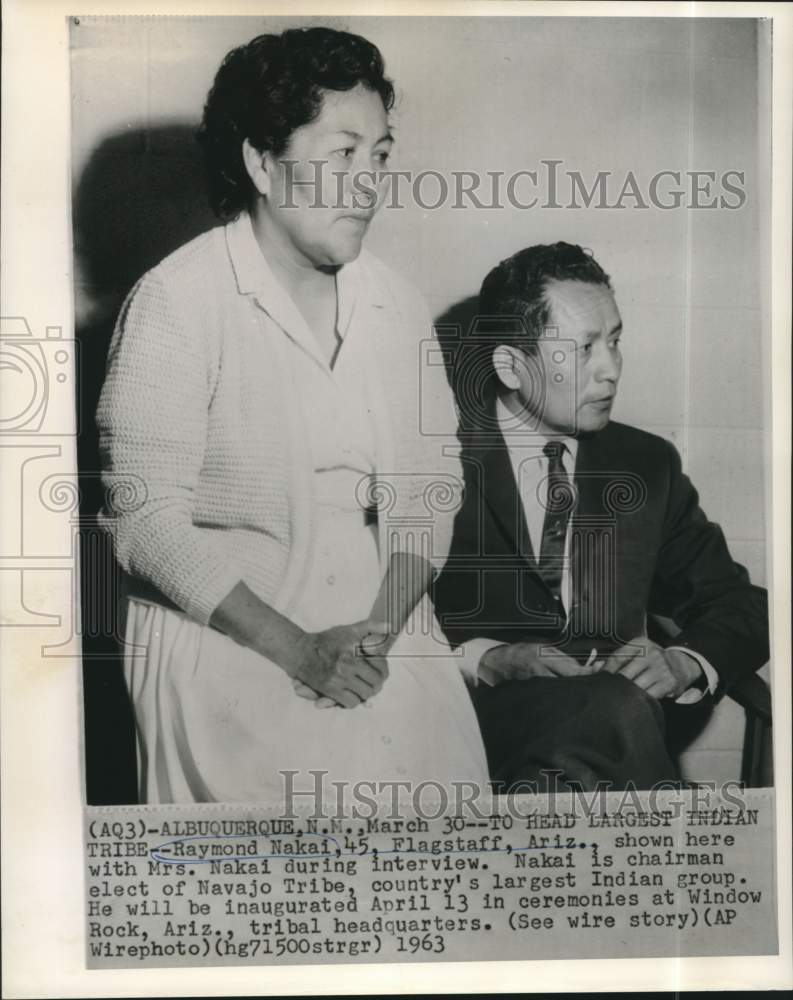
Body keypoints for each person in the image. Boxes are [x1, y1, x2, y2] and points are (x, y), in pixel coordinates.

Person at [96, 27, 488, 804]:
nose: (369, 182)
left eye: (378, 156)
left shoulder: (395, 304)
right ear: (260, 164)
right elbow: (144, 524)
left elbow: (427, 487)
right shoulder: (176, 302)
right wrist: (302, 652)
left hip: (381, 623)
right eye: (342, 154)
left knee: (444, 819)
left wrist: (376, 634)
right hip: (227, 633)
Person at [432, 242, 769, 792]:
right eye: (583, 348)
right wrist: (485, 659)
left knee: (610, 713)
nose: (610, 370)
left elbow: (742, 605)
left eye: (614, 342)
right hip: (467, 724)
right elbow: (368, 623)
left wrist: (685, 662)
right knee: (613, 712)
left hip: (606, 739)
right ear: (511, 366)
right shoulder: (432, 455)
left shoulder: (645, 465)